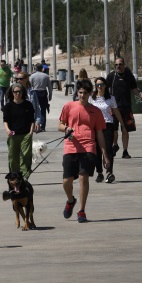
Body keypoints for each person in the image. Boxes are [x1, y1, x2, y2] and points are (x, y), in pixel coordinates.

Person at [58, 79, 109, 223]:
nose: (82, 96)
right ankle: (70, 201)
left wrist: (105, 154)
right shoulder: (69, 106)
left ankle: (81, 210)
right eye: (80, 93)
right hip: (70, 146)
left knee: (83, 177)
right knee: (66, 181)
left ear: (90, 94)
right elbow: (60, 125)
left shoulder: (96, 111)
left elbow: (99, 133)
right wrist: (66, 129)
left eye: (85, 93)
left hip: (88, 147)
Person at [106, 57, 142, 159]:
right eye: (116, 65)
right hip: (114, 108)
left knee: (125, 129)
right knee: (114, 130)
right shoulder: (111, 76)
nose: (118, 66)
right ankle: (115, 145)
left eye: (120, 64)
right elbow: (104, 89)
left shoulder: (129, 76)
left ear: (124, 65)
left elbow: (135, 90)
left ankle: (125, 151)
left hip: (126, 107)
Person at [88, 77, 124, 183]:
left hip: (107, 125)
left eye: (101, 85)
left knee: (108, 150)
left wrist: (123, 125)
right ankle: (99, 172)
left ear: (105, 86)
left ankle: (109, 172)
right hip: (95, 127)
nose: (99, 87)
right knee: (97, 151)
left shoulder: (111, 99)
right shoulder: (91, 98)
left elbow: (116, 112)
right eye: (97, 85)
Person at [3, 82, 37, 178]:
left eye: (20, 92)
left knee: (25, 157)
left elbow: (32, 120)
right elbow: (5, 121)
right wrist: (8, 130)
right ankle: (14, 177)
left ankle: (25, 177)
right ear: (12, 92)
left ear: (23, 93)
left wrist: (30, 133)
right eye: (16, 92)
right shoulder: (8, 106)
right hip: (13, 135)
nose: (18, 94)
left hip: (25, 134)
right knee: (13, 158)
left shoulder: (28, 105)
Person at [29, 63, 52, 131]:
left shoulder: (32, 76)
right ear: (42, 68)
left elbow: (30, 86)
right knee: (43, 110)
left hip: (35, 92)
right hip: (43, 93)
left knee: (34, 109)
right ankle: (42, 126)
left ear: (35, 68)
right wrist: (50, 96)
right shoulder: (46, 76)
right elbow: (50, 87)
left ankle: (34, 125)